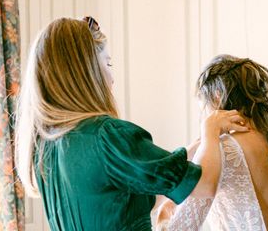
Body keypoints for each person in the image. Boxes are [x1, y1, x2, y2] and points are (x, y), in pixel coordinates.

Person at [15, 17, 248, 231]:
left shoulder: (46, 147)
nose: (112, 77)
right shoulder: (107, 137)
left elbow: (141, 192)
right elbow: (204, 187)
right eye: (108, 64)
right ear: (87, 72)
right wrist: (210, 129)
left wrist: (197, 147)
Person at [157, 55, 268, 231]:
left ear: (217, 97)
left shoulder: (219, 151)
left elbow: (181, 227)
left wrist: (163, 217)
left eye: (204, 107)